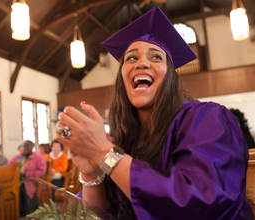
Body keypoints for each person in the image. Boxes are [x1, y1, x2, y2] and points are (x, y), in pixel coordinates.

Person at [56, 7, 252, 220]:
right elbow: (100, 215)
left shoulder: (208, 119)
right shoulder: (125, 139)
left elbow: (199, 202)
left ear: (169, 76)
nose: (141, 63)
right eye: (131, 58)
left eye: (156, 57)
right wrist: (90, 173)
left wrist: (105, 154)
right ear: (122, 77)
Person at [8, 140, 47, 217]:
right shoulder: (18, 157)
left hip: (31, 181)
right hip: (16, 181)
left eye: (28, 146)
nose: (26, 148)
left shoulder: (38, 157)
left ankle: (25, 214)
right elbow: (9, 166)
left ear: (32, 147)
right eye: (24, 146)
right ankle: (13, 214)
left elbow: (42, 171)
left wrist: (26, 175)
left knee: (21, 190)